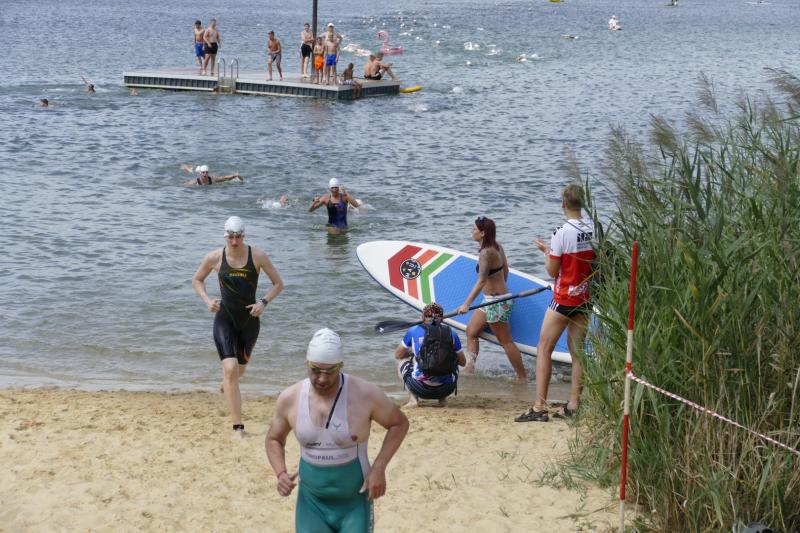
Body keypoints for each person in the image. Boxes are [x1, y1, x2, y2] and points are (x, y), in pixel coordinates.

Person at [266, 328, 409, 533]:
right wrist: (280, 473)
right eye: (316, 370)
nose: (322, 379)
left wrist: (379, 468)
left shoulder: (364, 394)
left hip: (355, 503)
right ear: (307, 363)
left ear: (341, 366)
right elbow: (274, 438)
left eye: (330, 371)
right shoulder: (290, 397)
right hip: (311, 503)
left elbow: (399, 423)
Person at [192, 216, 284, 438]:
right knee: (230, 369)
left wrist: (263, 302)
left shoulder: (257, 256)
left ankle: (226, 384)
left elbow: (278, 284)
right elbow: (197, 280)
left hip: (249, 321)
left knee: (239, 370)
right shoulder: (214, 257)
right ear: (225, 236)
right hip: (224, 319)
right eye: (231, 237)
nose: (234, 241)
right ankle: (238, 428)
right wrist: (207, 301)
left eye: (238, 237)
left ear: (244, 235)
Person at [515, 184, 596, 422]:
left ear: (563, 204)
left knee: (544, 348)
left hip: (564, 298)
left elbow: (553, 270)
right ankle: (574, 405)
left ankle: (539, 406)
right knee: (578, 352)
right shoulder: (594, 228)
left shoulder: (561, 232)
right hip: (584, 297)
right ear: (582, 203)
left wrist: (547, 253)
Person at [456, 216, 528, 381]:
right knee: (471, 331)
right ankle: (469, 368)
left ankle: (522, 377)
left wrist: (466, 304)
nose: (472, 231)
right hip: (491, 300)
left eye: (474, 229)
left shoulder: (485, 253)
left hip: (496, 303)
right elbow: (506, 271)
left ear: (482, 233)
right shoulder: (497, 246)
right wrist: (501, 290)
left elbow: (481, 281)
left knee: (506, 341)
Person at [394, 303, 466, 407]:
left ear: (423, 317)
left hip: (419, 388)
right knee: (453, 361)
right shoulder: (452, 333)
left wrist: (413, 351)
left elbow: (398, 354)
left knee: (402, 361)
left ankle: (413, 400)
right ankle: (442, 400)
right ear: (442, 319)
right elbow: (463, 362)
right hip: (446, 388)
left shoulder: (413, 330)